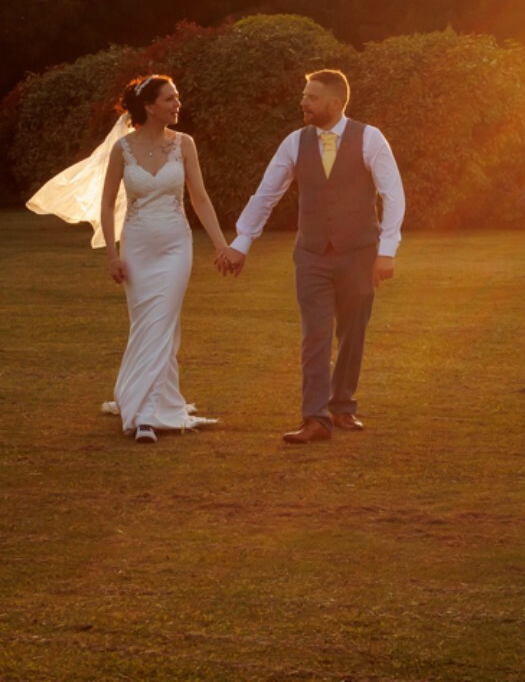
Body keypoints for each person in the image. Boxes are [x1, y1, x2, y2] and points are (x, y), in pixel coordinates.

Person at [28, 74, 230, 444]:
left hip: (176, 246)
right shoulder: (122, 149)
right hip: (136, 247)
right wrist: (112, 255)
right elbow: (107, 204)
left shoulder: (184, 144)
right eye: (170, 99)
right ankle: (148, 398)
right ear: (149, 106)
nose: (178, 104)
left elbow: (200, 198)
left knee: (162, 322)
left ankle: (145, 416)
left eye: (176, 97)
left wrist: (221, 245)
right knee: (146, 325)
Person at [219, 68, 405, 444]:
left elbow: (393, 193)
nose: (303, 102)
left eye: (312, 97)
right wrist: (242, 242)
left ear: (335, 103)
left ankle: (342, 405)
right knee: (315, 334)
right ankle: (315, 419)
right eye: (304, 96)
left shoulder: (370, 138)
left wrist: (387, 250)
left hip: (359, 253)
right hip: (311, 255)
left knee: (353, 331)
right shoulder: (294, 142)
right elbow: (266, 194)